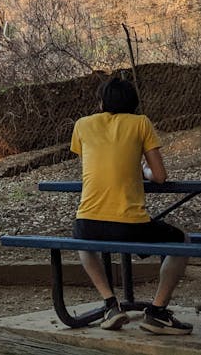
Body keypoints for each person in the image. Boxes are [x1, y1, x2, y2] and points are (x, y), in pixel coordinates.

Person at [69, 76, 193, 335]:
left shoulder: (82, 124)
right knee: (183, 241)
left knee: (81, 240)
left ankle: (110, 304)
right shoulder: (141, 123)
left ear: (101, 102)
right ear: (134, 103)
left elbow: (95, 162)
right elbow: (159, 176)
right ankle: (157, 312)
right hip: (129, 225)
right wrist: (144, 170)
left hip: (88, 221)